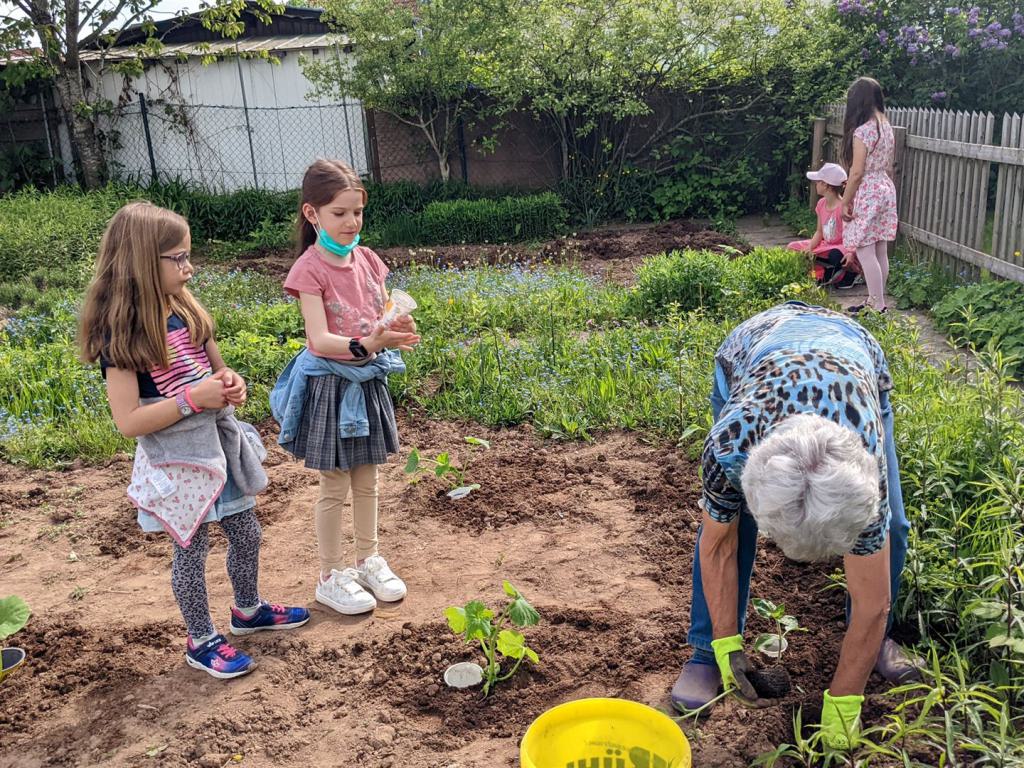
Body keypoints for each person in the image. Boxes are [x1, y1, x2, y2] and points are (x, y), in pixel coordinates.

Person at [670, 302, 922, 749]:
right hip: (752, 351)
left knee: (893, 529)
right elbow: (718, 547)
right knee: (729, 528)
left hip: (854, 357)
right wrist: (731, 648)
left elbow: (873, 599)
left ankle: (875, 644)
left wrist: (845, 703)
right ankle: (708, 650)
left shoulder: (860, 473)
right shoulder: (730, 445)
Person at [79, 202, 309, 680]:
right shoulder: (120, 336)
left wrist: (229, 384)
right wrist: (191, 399)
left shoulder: (185, 312)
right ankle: (200, 638)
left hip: (217, 450)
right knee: (192, 548)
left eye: (188, 256)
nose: (189, 267)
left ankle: (247, 610)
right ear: (143, 261)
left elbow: (216, 371)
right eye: (178, 258)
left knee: (247, 532)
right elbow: (128, 421)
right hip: (177, 462)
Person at [271, 159, 420, 618]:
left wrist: (395, 327)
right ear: (312, 214)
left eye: (357, 211)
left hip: (367, 379)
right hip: (332, 387)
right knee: (334, 486)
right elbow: (319, 340)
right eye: (339, 213)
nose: (351, 221)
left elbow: (379, 316)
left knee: (369, 479)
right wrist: (369, 342)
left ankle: (368, 559)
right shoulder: (308, 269)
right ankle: (331, 574)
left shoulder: (370, 260)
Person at [841, 77, 898, 313]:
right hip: (885, 187)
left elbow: (856, 172)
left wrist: (845, 201)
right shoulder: (885, 125)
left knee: (864, 248)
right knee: (879, 249)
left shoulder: (863, 131)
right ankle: (876, 300)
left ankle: (878, 306)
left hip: (869, 190)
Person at [787, 162, 861, 289]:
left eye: (818, 181)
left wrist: (851, 252)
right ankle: (824, 273)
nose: (815, 184)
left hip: (842, 247)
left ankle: (849, 275)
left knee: (836, 255)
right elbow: (819, 232)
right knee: (792, 247)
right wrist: (809, 247)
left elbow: (853, 235)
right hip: (826, 245)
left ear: (826, 185)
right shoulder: (821, 204)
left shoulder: (843, 207)